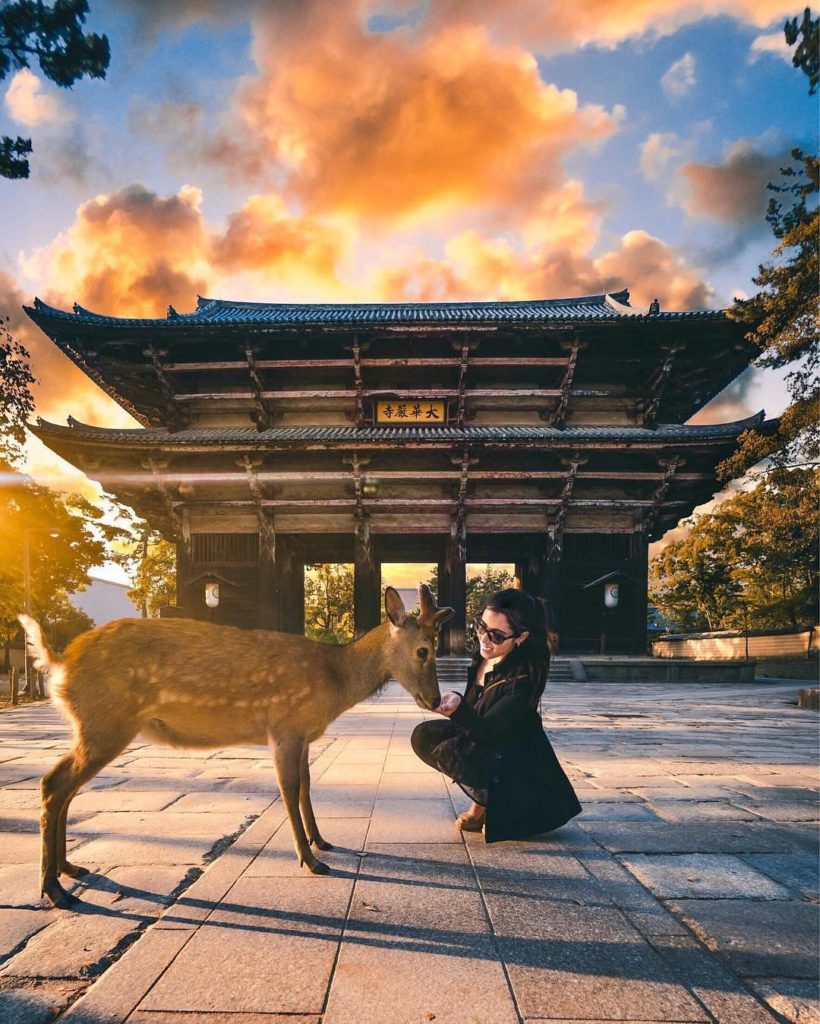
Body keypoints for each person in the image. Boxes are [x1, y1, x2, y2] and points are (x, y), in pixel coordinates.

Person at [410, 588, 581, 841]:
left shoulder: (522, 680)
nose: (484, 639)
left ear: (521, 637)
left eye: (496, 635)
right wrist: (455, 702)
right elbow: (474, 705)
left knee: (460, 751)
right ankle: (485, 800)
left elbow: (487, 732)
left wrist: (458, 710)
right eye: (481, 627)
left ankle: (494, 806)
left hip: (514, 759)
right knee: (425, 736)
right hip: (489, 742)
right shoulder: (482, 656)